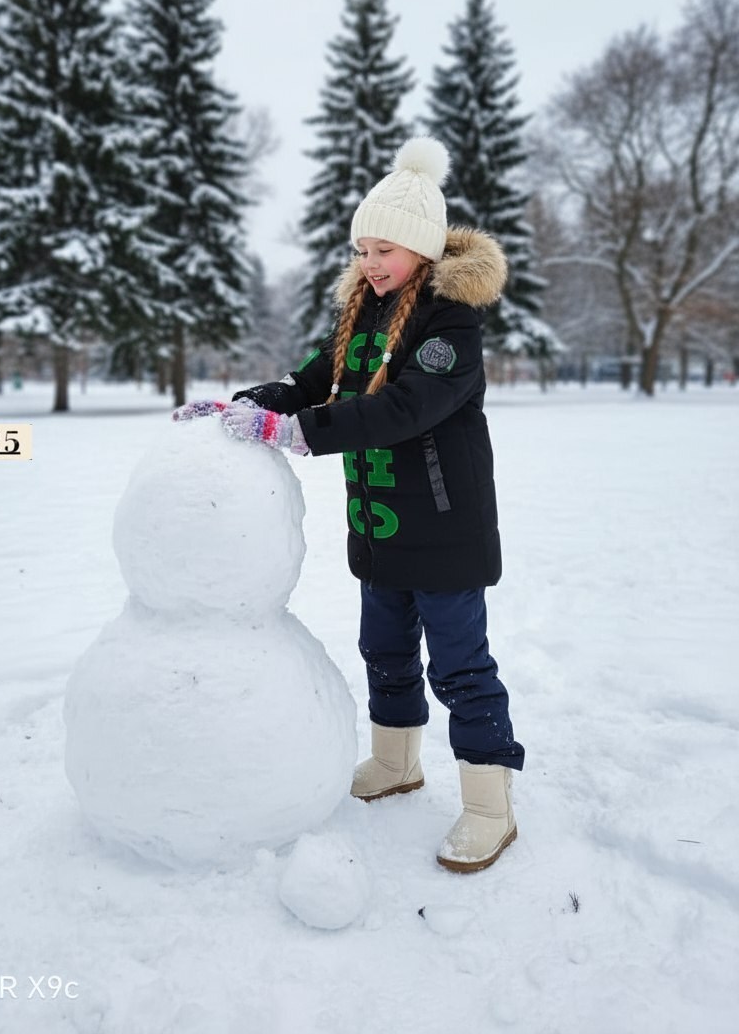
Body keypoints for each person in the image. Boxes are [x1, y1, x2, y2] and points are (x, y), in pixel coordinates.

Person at [175, 136, 524, 873]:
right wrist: (244, 406)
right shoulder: (362, 316)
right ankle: (397, 762)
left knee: (460, 669)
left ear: (424, 250)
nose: (369, 261)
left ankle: (491, 806)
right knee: (385, 651)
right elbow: (309, 384)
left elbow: (403, 410)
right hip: (380, 529)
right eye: (362, 247)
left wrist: (298, 434)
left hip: (445, 534)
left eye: (385, 248)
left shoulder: (448, 326)